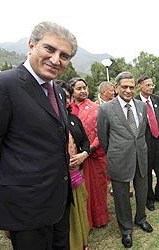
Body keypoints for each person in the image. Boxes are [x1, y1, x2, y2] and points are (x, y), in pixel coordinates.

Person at [0, 21, 77, 249]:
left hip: (59, 202)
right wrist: (1, 203)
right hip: (25, 209)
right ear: (31, 45)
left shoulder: (57, 91)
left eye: (64, 56)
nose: (56, 59)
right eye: (50, 49)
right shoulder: (2, 84)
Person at [97, 72, 153, 249]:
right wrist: (117, 151)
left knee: (142, 190)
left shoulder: (141, 106)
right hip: (119, 159)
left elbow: (142, 132)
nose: (128, 90)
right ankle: (126, 229)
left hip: (141, 157)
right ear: (116, 87)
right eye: (124, 87)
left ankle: (141, 218)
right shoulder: (106, 109)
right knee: (121, 196)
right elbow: (103, 137)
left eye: (131, 87)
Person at [69, 77, 108, 228]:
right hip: (74, 160)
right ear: (72, 91)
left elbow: (101, 133)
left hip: (94, 155)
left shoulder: (95, 108)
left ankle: (99, 219)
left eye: (85, 87)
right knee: (81, 192)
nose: (83, 91)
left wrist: (88, 150)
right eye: (79, 88)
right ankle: (84, 223)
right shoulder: (68, 109)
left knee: (97, 189)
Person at [57, 80, 90, 250]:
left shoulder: (73, 119)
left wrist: (83, 154)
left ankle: (81, 243)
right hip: (56, 181)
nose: (64, 100)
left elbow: (85, 141)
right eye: (59, 96)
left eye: (67, 96)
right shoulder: (47, 121)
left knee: (78, 213)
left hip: (76, 176)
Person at [135, 75, 159, 211]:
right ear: (140, 86)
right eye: (148, 85)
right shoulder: (135, 102)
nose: (151, 87)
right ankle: (149, 199)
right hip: (145, 143)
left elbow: (157, 119)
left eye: (152, 85)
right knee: (147, 173)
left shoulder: (156, 99)